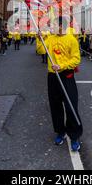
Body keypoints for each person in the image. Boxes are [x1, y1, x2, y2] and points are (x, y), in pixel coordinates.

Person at [36, 17, 82, 152]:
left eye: (55, 24)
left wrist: (61, 66)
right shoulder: (50, 38)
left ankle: (74, 135)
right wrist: (40, 39)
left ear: (62, 26)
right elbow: (41, 51)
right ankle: (60, 132)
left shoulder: (71, 39)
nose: (52, 26)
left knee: (71, 106)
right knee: (55, 106)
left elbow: (76, 59)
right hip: (52, 76)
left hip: (66, 75)